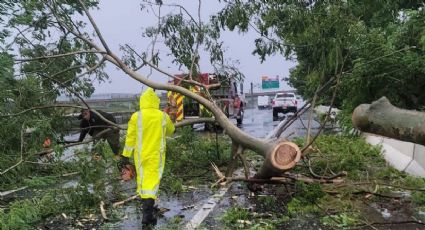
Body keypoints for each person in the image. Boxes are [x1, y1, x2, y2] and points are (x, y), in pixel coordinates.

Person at [119, 88, 175, 226]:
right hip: (156, 156)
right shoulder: (162, 116)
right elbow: (171, 130)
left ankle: (147, 214)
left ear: (142, 101)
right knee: (152, 184)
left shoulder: (136, 116)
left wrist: (125, 156)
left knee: (144, 183)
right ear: (155, 101)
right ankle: (147, 216)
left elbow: (130, 138)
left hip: (141, 156)